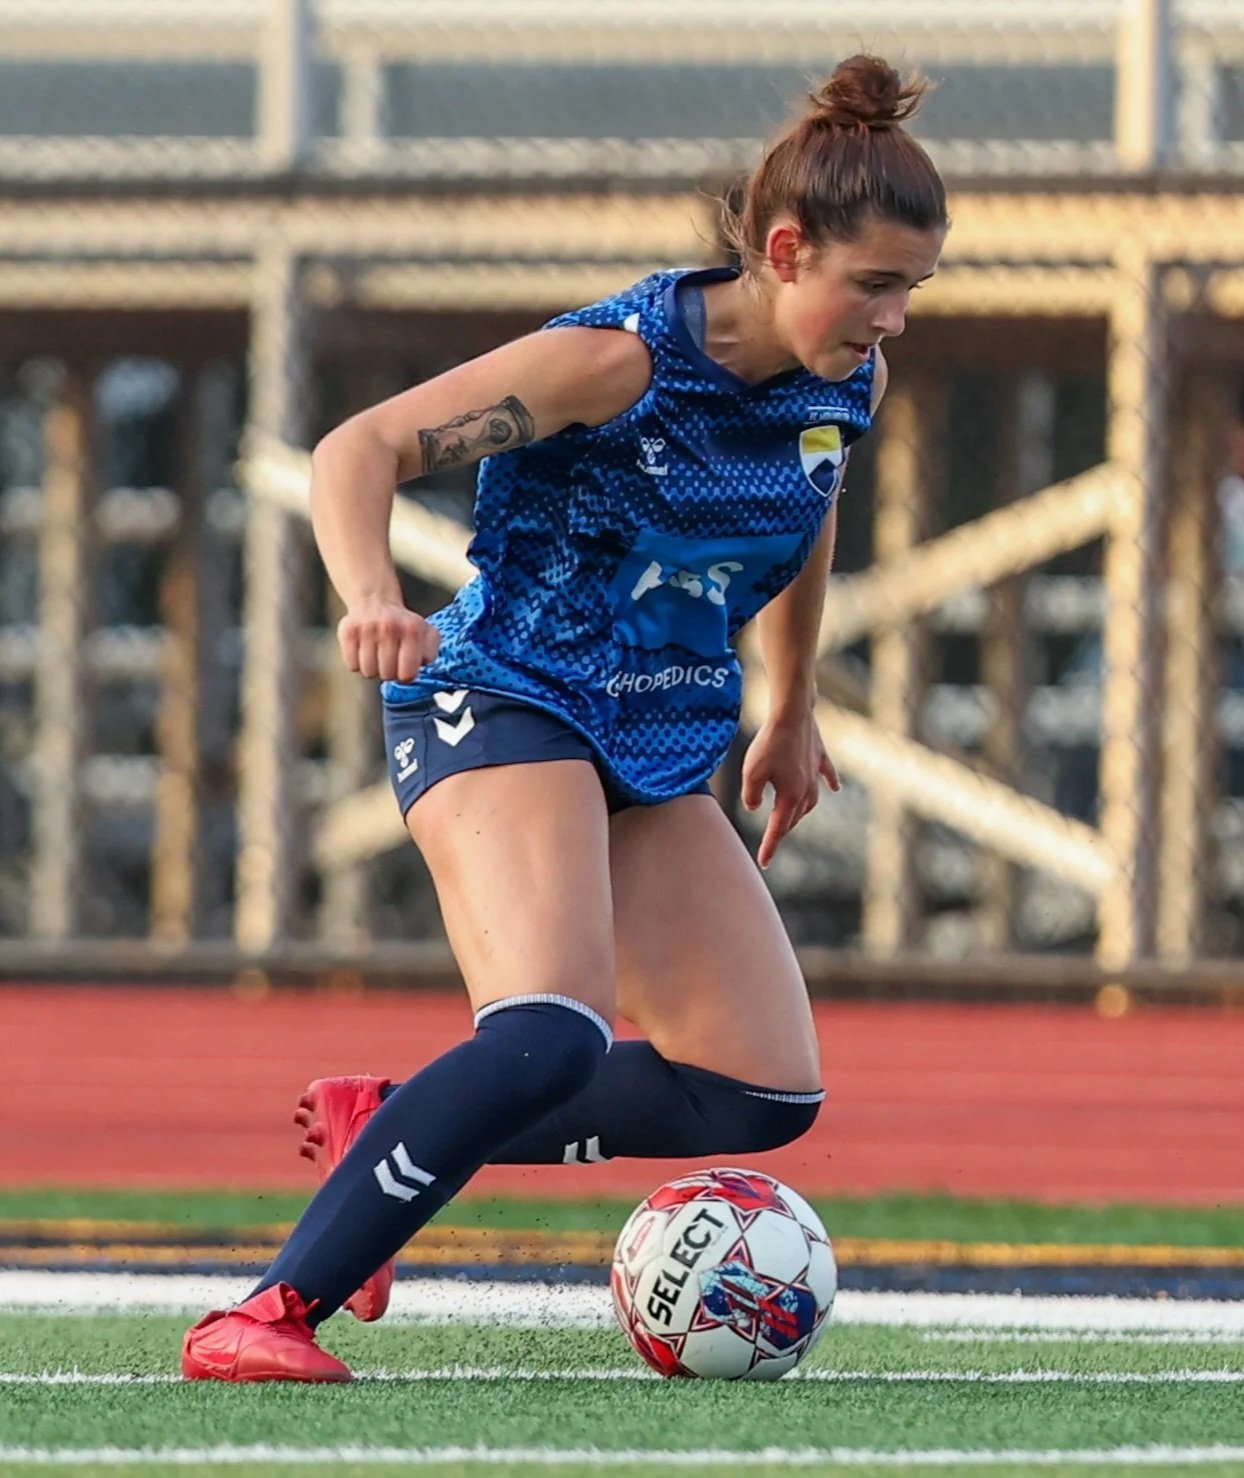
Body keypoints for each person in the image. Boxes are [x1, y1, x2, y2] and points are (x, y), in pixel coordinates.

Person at [182, 53, 947, 1383]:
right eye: (874, 284)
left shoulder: (846, 383)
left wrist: (793, 701)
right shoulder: (618, 357)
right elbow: (355, 450)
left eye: (911, 291)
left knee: (761, 1090)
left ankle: (398, 1119)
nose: (891, 318)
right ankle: (259, 1313)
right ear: (783, 250)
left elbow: (807, 505)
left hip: (657, 737)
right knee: (550, 1028)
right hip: (506, 696)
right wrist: (371, 593)